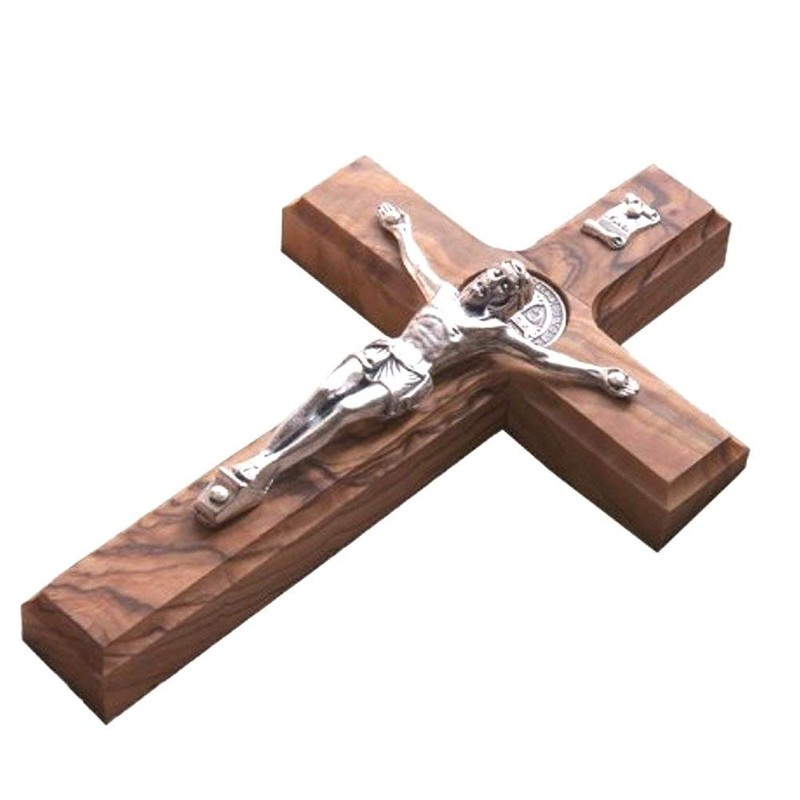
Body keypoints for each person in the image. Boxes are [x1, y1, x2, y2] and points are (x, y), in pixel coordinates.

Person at [194, 202, 638, 527]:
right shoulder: (443, 294)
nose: (488, 284)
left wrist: (599, 374)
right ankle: (260, 460)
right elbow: (416, 263)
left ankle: (270, 470)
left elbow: (542, 357)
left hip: (406, 377)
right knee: (324, 394)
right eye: (491, 276)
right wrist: (400, 228)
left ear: (504, 301)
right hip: (382, 352)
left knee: (345, 412)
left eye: (499, 286)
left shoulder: (490, 331)